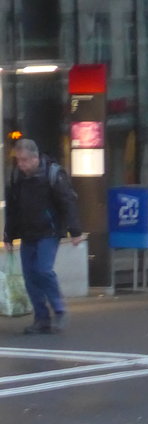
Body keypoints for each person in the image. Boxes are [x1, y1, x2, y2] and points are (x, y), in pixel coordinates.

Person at [4, 138, 85, 335]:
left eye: (24, 160)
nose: (21, 165)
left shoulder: (53, 174)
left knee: (43, 270)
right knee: (30, 276)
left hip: (49, 231)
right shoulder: (17, 177)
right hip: (28, 232)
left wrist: (75, 231)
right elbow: (13, 208)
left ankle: (59, 310)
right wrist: (9, 235)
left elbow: (67, 202)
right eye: (18, 160)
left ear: (35, 158)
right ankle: (41, 318)